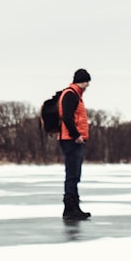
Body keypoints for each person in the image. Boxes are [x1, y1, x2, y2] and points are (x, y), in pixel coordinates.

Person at [58, 69, 91, 220]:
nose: (88, 85)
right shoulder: (71, 94)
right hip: (71, 140)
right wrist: (76, 135)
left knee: (74, 175)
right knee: (72, 175)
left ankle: (74, 207)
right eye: (86, 82)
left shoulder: (75, 94)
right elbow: (67, 117)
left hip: (73, 140)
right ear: (81, 81)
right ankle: (70, 208)